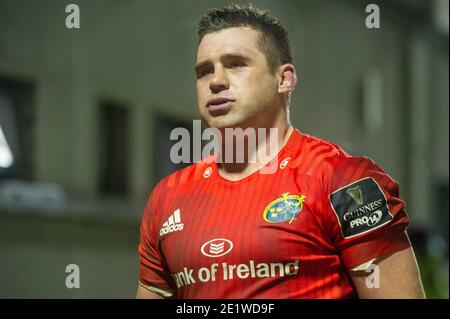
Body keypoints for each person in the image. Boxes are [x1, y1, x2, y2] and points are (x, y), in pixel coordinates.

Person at [136, 4, 425, 299]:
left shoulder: (343, 180)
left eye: (235, 63)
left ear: (284, 79)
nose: (216, 81)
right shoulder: (167, 197)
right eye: (204, 71)